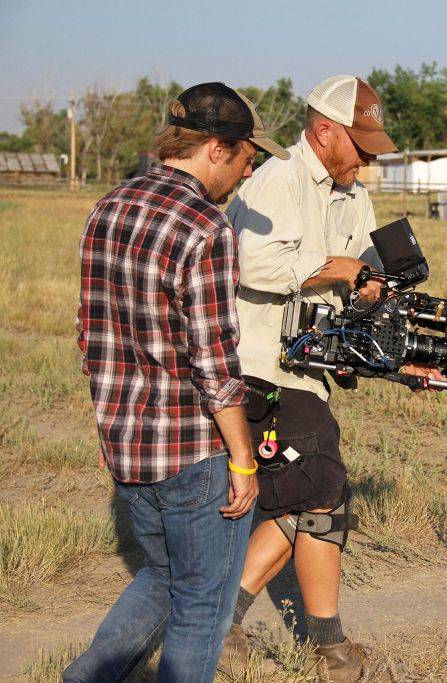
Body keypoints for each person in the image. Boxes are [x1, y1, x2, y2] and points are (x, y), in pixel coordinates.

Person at [67, 83, 290, 683]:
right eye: (247, 156)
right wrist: (243, 457)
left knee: (163, 576)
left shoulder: (108, 207)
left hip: (127, 448)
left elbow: (91, 336)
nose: (248, 170)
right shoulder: (205, 226)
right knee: (202, 609)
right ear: (216, 148)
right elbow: (215, 363)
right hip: (193, 456)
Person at [221, 75, 435, 682]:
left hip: (309, 368)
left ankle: (266, 626)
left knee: (311, 492)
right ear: (324, 131)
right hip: (260, 364)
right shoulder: (276, 180)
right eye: (361, 147)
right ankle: (318, 645)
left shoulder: (354, 198)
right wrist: (331, 268)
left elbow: (356, 289)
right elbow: (249, 260)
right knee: (321, 489)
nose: (369, 159)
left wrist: (389, 339)